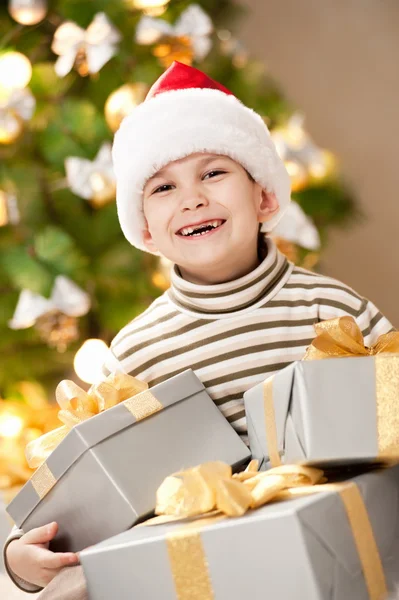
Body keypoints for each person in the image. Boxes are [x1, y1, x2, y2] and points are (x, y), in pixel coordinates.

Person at [3, 61, 394, 596]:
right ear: (144, 228)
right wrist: (22, 560)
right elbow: (95, 500)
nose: (192, 198)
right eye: (163, 187)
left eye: (214, 173)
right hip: (204, 574)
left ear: (264, 197)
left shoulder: (334, 309)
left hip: (329, 555)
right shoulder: (135, 356)